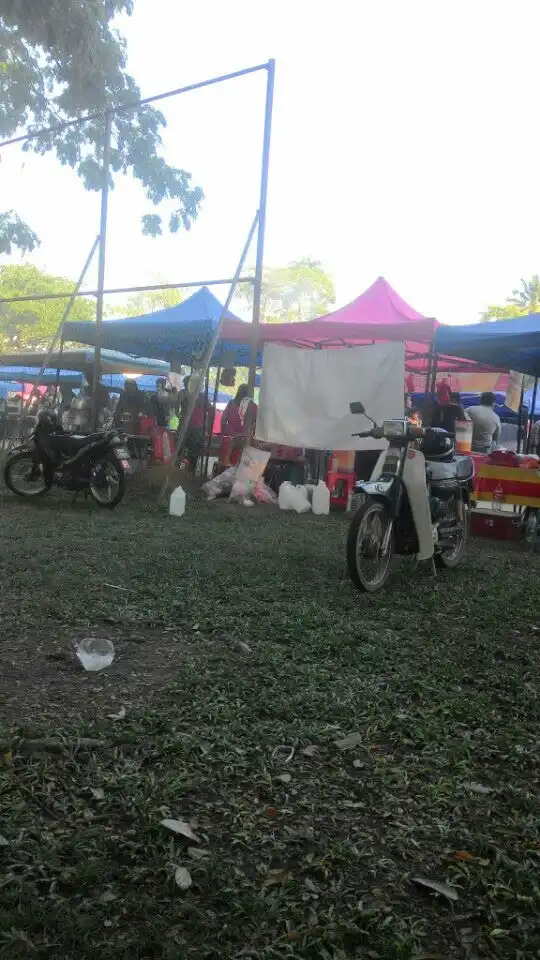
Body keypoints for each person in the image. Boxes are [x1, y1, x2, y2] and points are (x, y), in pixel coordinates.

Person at [179, 376, 215, 472]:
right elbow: (177, 402)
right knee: (180, 450)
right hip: (184, 427)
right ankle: (180, 471)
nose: (187, 386)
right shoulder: (183, 393)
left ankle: (190, 472)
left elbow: (211, 410)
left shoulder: (202, 396)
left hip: (197, 428)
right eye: (186, 384)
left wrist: (208, 425)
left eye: (189, 384)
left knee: (194, 452)